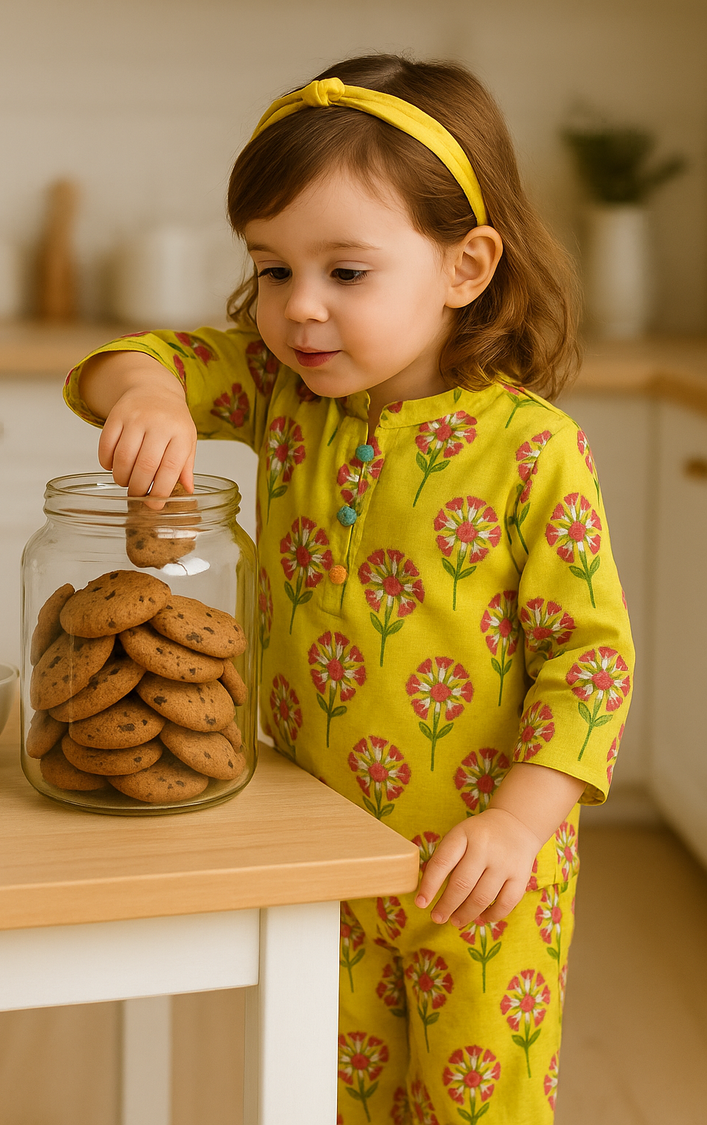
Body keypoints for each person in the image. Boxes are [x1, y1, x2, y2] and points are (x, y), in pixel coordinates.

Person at [65, 54, 634, 1124]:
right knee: (331, 1098)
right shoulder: (283, 393)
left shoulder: (534, 450)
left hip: (483, 878)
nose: (300, 309)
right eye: (273, 269)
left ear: (466, 266)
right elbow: (136, 360)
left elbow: (592, 662)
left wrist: (519, 823)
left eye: (348, 272)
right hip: (316, 856)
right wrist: (148, 393)